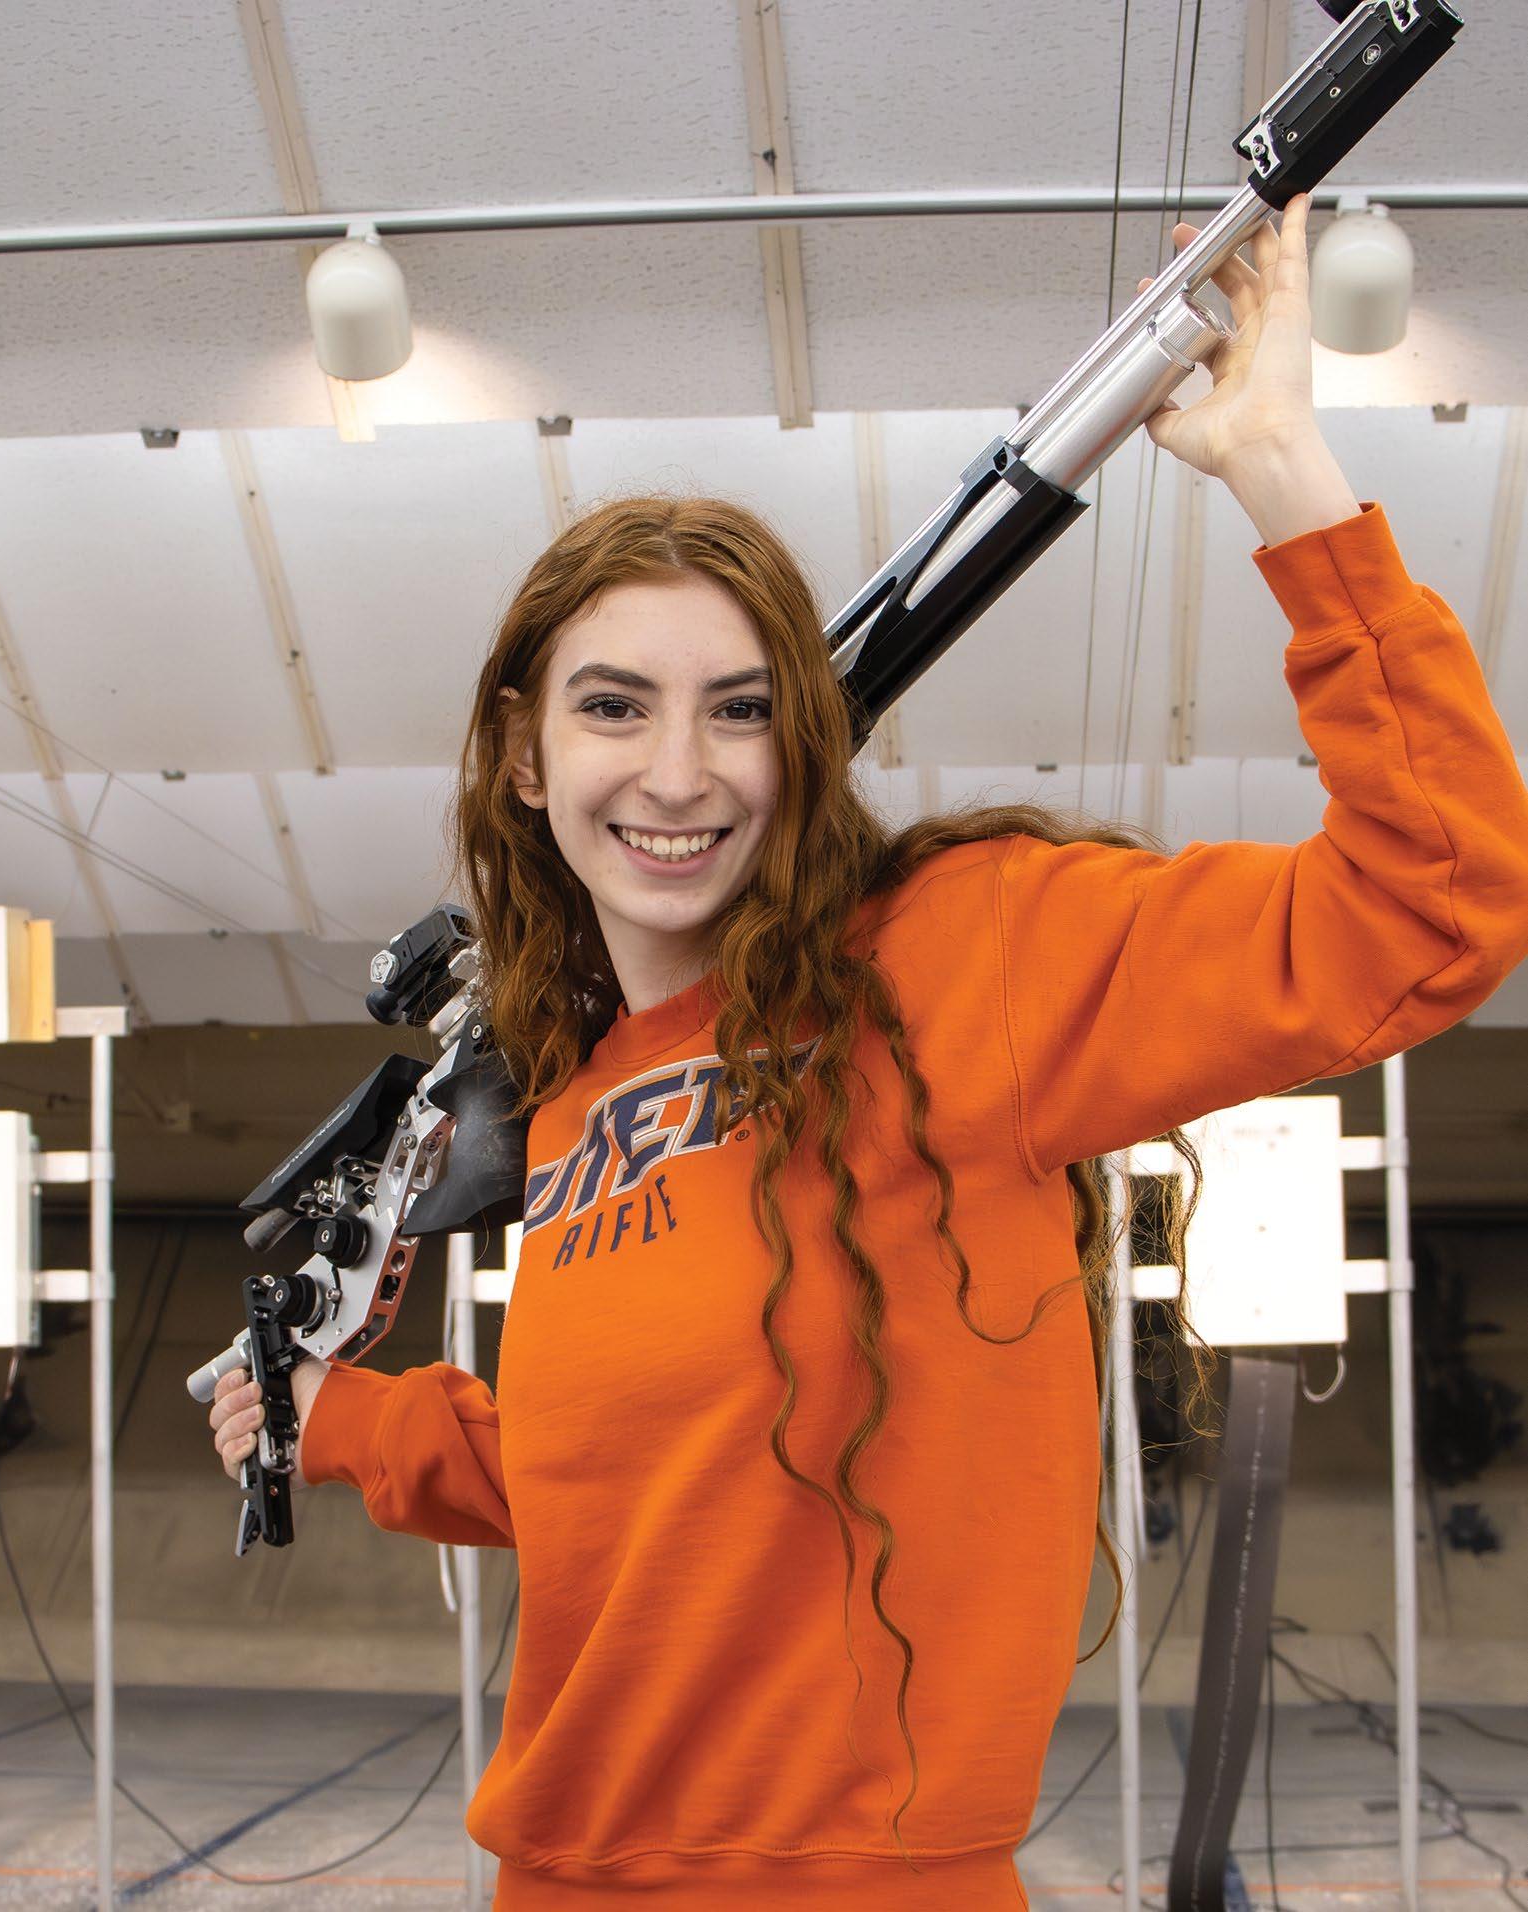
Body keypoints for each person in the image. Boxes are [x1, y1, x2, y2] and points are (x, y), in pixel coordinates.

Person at [208, 195, 1528, 1908]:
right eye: (612, 706)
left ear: (806, 751)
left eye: (740, 709)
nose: (675, 773)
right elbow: (622, 1471)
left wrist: (1282, 469)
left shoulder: (959, 955)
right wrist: (338, 1419)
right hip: (553, 1877)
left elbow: (1429, 904)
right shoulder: (577, 1092)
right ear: (525, 760)